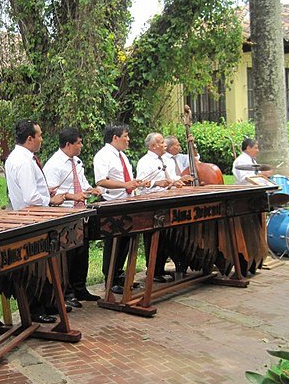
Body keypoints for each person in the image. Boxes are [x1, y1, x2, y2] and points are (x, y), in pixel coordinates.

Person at [5, 119, 67, 323]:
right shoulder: (22, 161)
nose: (41, 139)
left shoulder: (23, 157)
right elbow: (31, 198)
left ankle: (47, 303)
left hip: (33, 217)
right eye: (39, 135)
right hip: (30, 219)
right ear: (30, 138)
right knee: (34, 267)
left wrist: (45, 191)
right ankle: (35, 309)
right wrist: (51, 199)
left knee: (41, 264)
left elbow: (30, 191)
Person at [43, 127, 101, 308]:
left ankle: (80, 288)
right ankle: (67, 292)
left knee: (82, 253)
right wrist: (71, 196)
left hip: (81, 213)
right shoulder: (53, 165)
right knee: (67, 256)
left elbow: (82, 184)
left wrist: (91, 189)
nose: (81, 146)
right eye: (78, 142)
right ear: (68, 144)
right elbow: (50, 192)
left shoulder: (76, 161)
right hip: (65, 216)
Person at [93, 124, 147, 294]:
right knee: (113, 242)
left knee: (125, 242)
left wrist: (135, 183)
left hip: (127, 201)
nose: (128, 139)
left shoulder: (122, 155)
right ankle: (110, 278)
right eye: (125, 136)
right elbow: (101, 181)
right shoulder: (103, 155)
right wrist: (125, 184)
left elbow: (126, 179)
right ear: (115, 138)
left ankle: (120, 274)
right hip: (111, 204)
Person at [136, 132, 185, 282]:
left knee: (165, 238)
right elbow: (141, 183)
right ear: (153, 146)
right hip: (151, 205)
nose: (165, 145)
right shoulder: (145, 162)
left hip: (164, 201)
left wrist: (175, 181)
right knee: (153, 238)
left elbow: (168, 178)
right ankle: (153, 271)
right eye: (162, 142)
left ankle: (160, 268)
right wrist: (156, 183)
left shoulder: (162, 159)